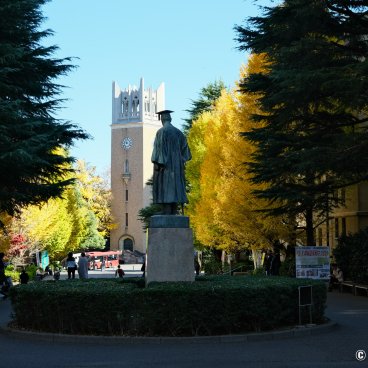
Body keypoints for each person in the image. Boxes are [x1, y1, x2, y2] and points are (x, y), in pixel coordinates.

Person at [151, 110, 192, 215]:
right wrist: (179, 160)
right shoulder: (179, 132)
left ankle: (167, 211)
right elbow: (187, 153)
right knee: (176, 187)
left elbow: (158, 152)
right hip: (177, 168)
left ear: (162, 119)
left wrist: (158, 164)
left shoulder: (161, 132)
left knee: (167, 186)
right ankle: (173, 210)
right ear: (170, 118)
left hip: (166, 167)